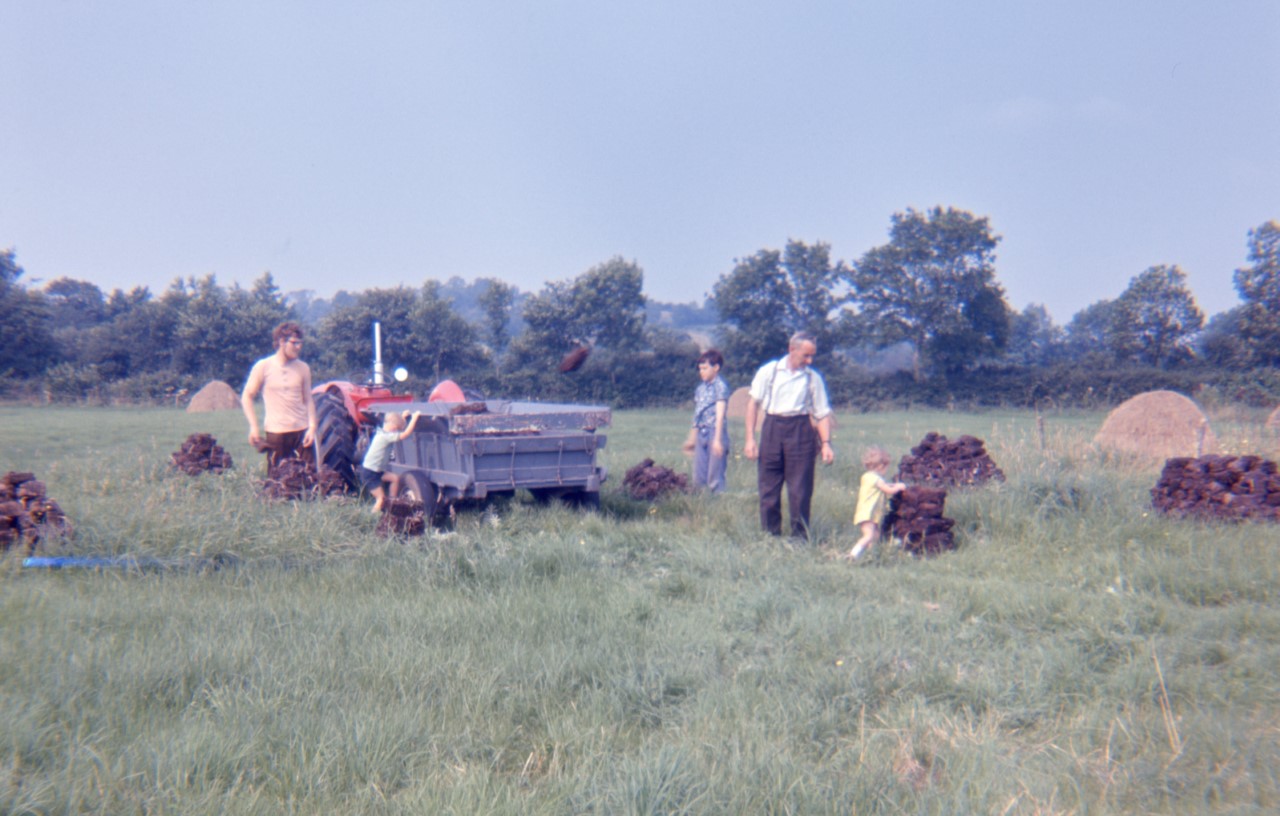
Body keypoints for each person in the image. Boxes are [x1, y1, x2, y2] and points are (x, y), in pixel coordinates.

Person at [743, 331, 836, 540]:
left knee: (800, 488)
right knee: (768, 486)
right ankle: (770, 535)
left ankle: (800, 538)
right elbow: (753, 404)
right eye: (806, 355)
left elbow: (822, 413)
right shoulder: (769, 372)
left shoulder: (813, 378)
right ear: (792, 349)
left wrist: (826, 444)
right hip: (772, 427)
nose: (809, 361)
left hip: (801, 429)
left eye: (812, 356)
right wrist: (750, 439)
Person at [241, 321, 318, 469]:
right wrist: (253, 427)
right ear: (282, 342)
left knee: (309, 478)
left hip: (302, 433)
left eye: (300, 343)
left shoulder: (303, 368)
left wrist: (312, 427)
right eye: (294, 343)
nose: (299, 347)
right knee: (278, 481)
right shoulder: (263, 366)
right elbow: (247, 396)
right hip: (276, 433)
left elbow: (308, 399)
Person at [844, 446, 907, 560]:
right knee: (869, 536)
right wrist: (899, 487)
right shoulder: (875, 479)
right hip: (867, 513)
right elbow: (888, 490)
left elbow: (885, 485)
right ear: (881, 466)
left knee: (876, 535)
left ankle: (870, 555)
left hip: (870, 514)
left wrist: (893, 485)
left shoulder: (868, 477)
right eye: (886, 467)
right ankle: (852, 555)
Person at [681, 349, 731, 493]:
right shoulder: (700, 389)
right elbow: (697, 414)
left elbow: (720, 414)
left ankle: (718, 506)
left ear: (716, 368)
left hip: (715, 431)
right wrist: (692, 438)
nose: (701, 372)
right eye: (700, 369)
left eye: (705, 368)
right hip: (701, 432)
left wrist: (717, 440)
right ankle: (701, 505)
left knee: (714, 475)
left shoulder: (721, 386)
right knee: (698, 475)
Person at [360, 410, 422, 513]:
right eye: (397, 429)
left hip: (376, 471)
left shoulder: (382, 431)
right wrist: (414, 418)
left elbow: (394, 423)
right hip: (370, 473)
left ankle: (392, 503)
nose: (397, 431)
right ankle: (371, 519)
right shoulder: (386, 437)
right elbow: (405, 434)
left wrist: (402, 417)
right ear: (393, 428)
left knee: (395, 478)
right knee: (380, 499)